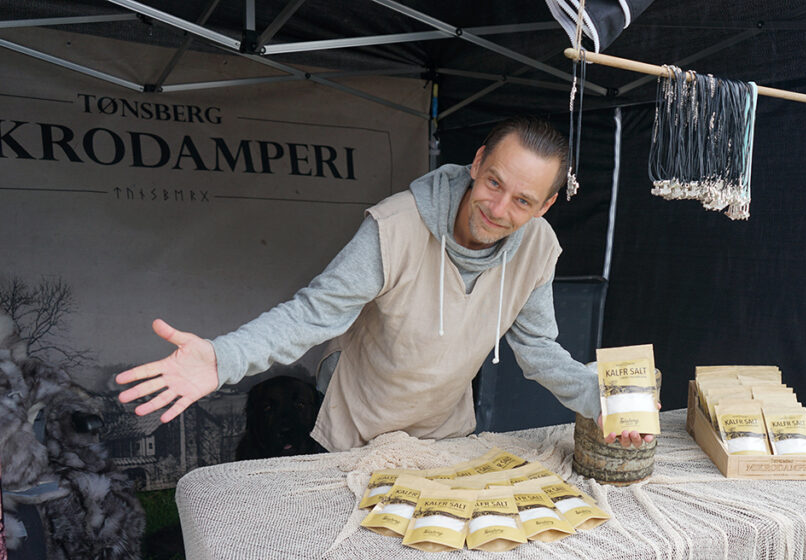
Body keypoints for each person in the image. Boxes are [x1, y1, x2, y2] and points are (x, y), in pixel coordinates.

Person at [116, 117, 654, 451]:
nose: (498, 208)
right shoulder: (394, 227)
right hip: (357, 429)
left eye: (523, 200)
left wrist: (599, 399)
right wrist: (221, 358)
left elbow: (537, 349)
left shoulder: (539, 247)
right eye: (494, 183)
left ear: (546, 205)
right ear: (477, 163)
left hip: (444, 434)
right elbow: (312, 314)